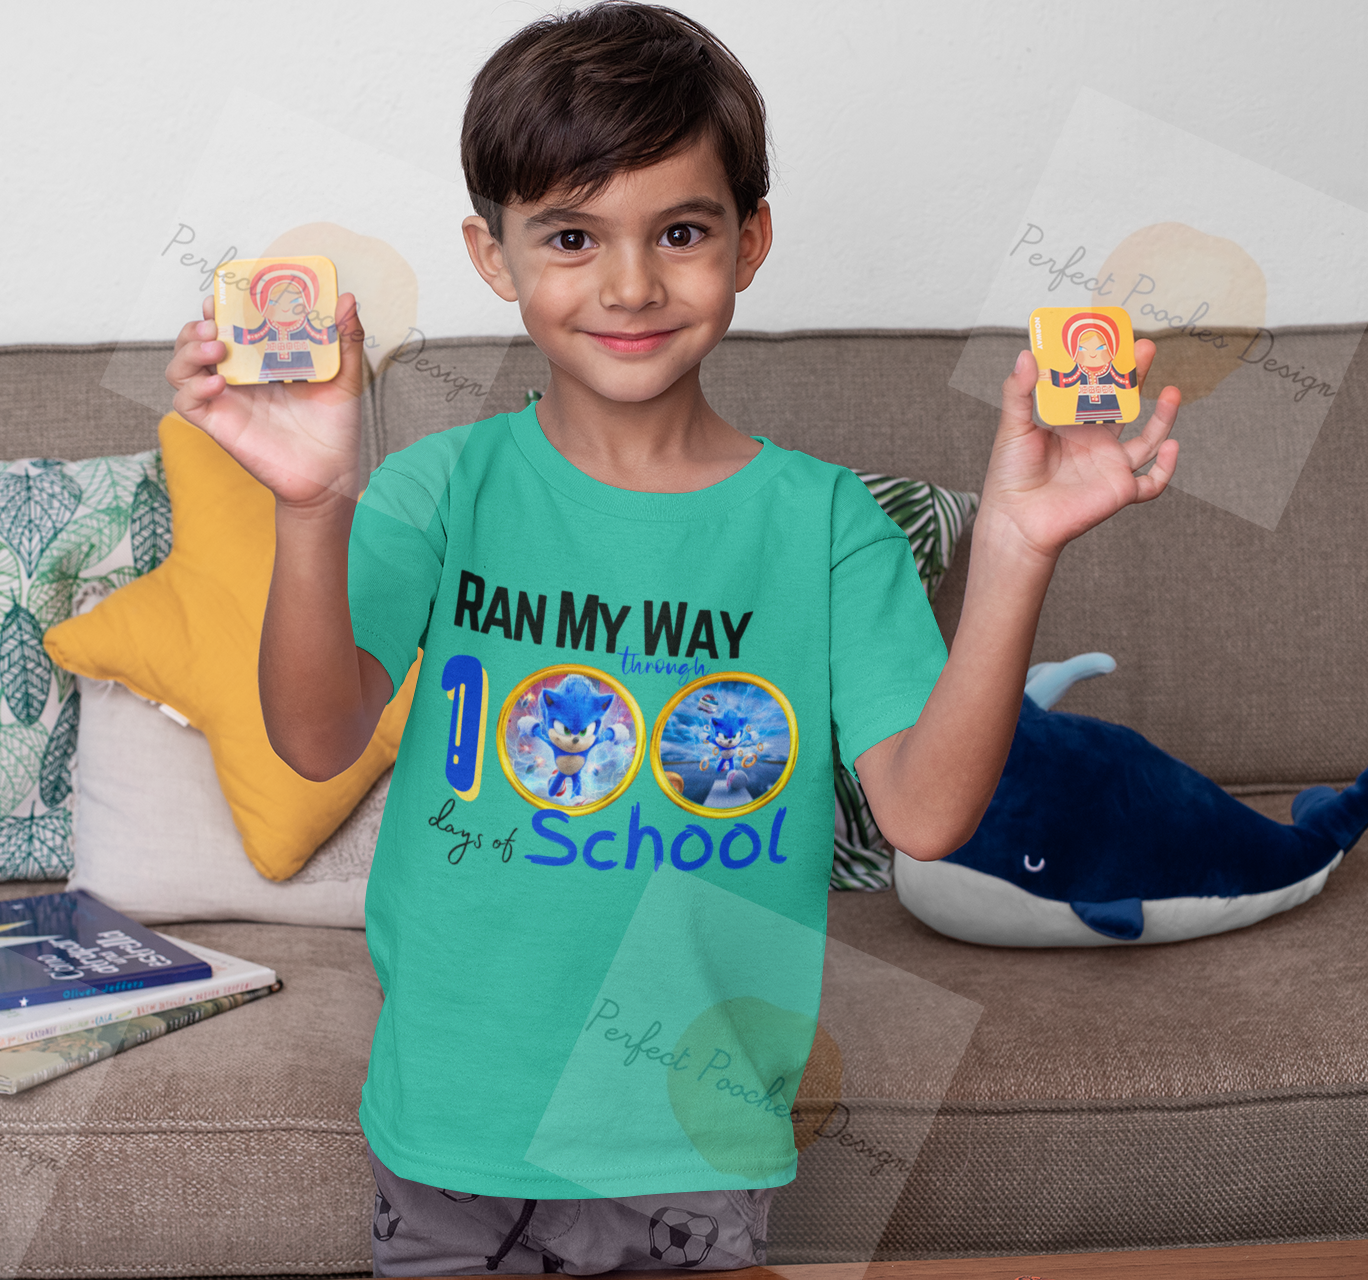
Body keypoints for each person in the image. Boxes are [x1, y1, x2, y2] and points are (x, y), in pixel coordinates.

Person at [164, 4, 1180, 1273]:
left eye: (681, 231)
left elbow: (926, 814)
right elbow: (314, 740)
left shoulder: (824, 523)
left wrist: (1020, 554)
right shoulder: (438, 489)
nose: (631, 284)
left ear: (750, 240)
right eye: (573, 236)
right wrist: (312, 510)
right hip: (454, 1124)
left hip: (700, 1131)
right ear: (494, 256)